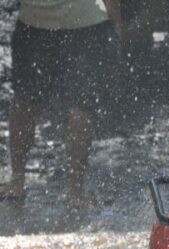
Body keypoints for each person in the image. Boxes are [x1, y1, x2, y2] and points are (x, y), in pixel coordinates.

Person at [1, 0, 124, 211]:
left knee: (25, 102)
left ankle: (17, 181)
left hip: (37, 21)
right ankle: (75, 192)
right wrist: (117, 25)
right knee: (81, 107)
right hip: (85, 21)